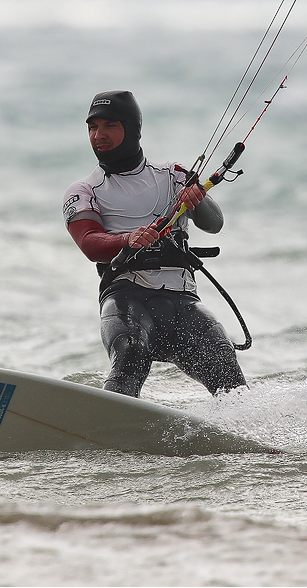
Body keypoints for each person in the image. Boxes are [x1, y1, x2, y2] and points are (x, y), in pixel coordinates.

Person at [62, 90, 247, 398]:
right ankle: (110, 418)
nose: (98, 135)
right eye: (92, 128)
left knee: (224, 362)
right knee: (130, 352)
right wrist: (127, 238)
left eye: (109, 126)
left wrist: (197, 200)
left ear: (132, 128)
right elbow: (89, 242)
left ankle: (247, 424)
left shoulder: (173, 175)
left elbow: (214, 224)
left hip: (183, 302)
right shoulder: (84, 190)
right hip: (127, 299)